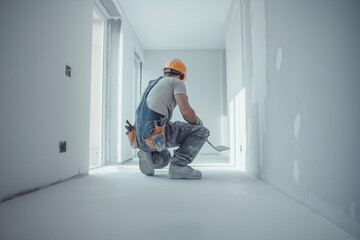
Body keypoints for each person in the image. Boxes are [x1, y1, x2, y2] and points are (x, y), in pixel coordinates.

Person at [135, 59, 210, 179]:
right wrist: (197, 123)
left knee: (165, 158)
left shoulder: (152, 83)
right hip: (154, 134)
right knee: (202, 131)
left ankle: (148, 155)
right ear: (179, 75)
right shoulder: (176, 81)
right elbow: (186, 113)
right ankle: (178, 166)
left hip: (139, 138)